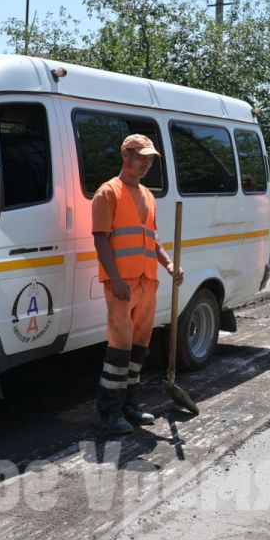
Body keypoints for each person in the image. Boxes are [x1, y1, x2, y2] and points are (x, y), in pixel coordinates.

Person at [92, 134, 183, 434]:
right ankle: (109, 412)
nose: (146, 163)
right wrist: (115, 279)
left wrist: (169, 265)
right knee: (119, 347)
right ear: (125, 155)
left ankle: (129, 406)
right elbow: (101, 240)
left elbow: (152, 239)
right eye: (141, 156)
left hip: (147, 282)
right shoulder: (108, 192)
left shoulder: (147, 195)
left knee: (139, 347)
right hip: (122, 284)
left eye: (150, 159)